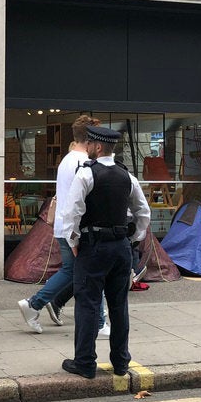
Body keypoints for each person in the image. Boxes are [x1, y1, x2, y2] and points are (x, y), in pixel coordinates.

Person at [61, 125, 150, 380]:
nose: (87, 147)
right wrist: (132, 238)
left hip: (94, 247)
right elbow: (143, 213)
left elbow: (72, 212)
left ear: (98, 147)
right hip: (121, 247)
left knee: (88, 304)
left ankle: (85, 363)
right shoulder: (127, 177)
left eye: (89, 143)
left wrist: (74, 241)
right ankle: (121, 362)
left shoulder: (86, 175)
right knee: (119, 305)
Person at [17, 115, 109, 337]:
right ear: (90, 139)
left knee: (72, 271)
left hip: (65, 226)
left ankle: (35, 304)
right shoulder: (83, 162)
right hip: (76, 228)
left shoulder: (68, 160)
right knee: (92, 273)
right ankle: (99, 322)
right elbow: (82, 200)